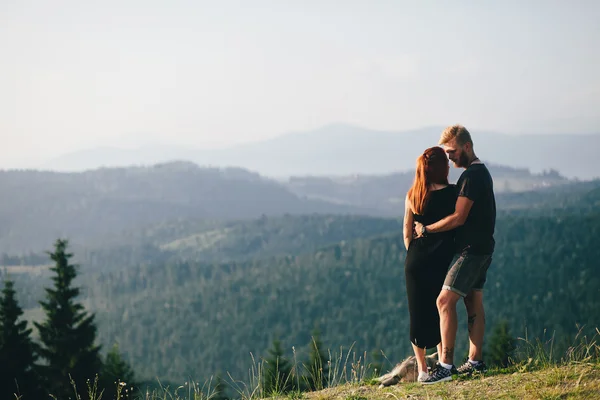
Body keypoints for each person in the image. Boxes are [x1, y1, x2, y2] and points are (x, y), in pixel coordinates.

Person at [415, 124, 496, 384]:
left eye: (452, 152)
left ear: (467, 147)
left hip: (471, 251)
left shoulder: (472, 176)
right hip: (483, 248)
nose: (449, 157)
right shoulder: (481, 173)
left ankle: (445, 366)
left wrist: (426, 229)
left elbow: (459, 217)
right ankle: (475, 362)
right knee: (473, 303)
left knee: (444, 302)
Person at [403, 146, 458, 383]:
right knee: (440, 310)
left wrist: (415, 252)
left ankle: (423, 370)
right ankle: (443, 363)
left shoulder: (414, 194)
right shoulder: (454, 193)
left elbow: (407, 233)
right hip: (440, 261)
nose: (449, 165)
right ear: (440, 168)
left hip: (415, 261)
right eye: (446, 162)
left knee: (418, 313)